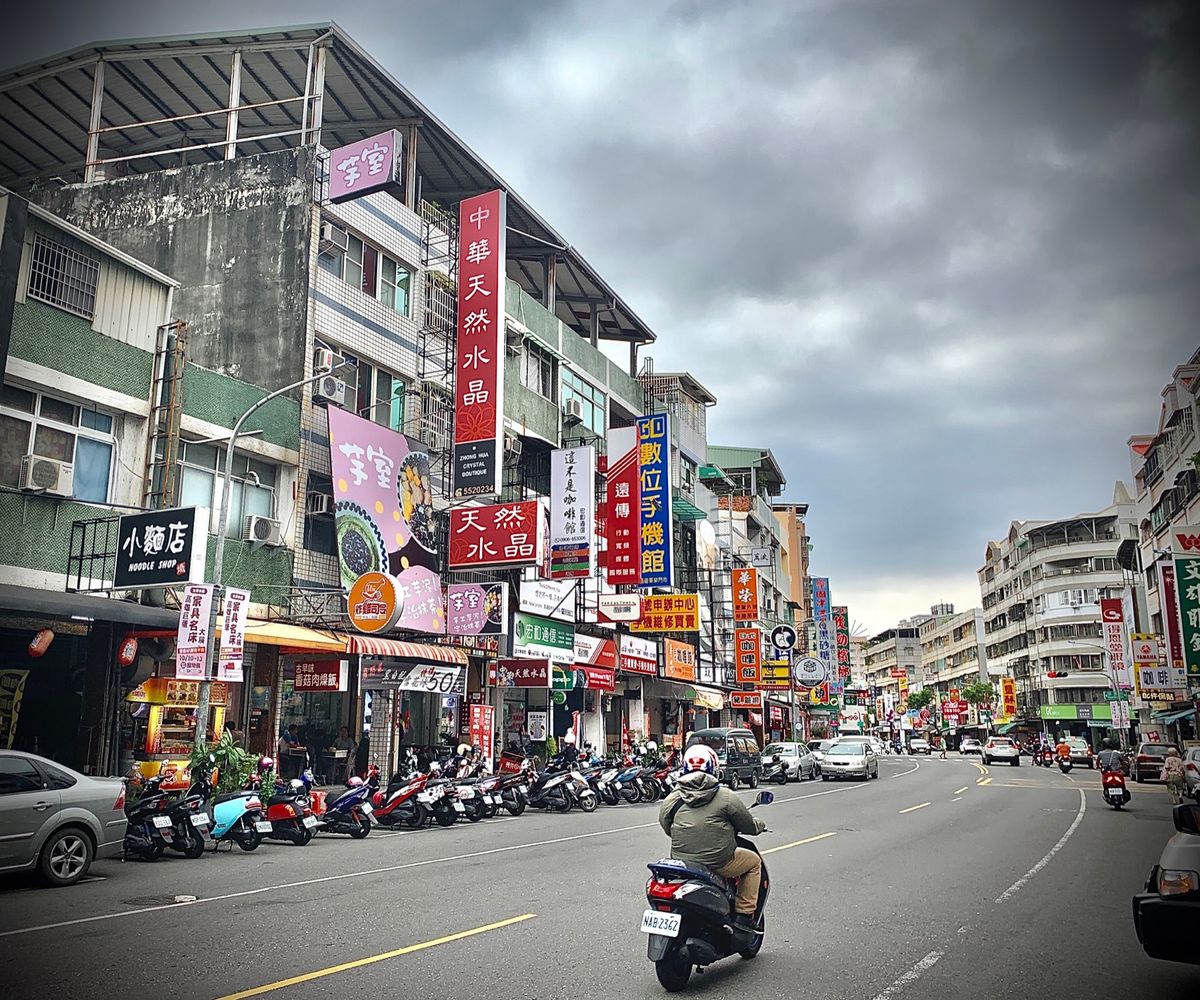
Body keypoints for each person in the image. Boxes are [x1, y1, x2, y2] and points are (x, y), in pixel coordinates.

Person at [658, 744, 766, 936]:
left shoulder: (673, 797)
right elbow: (748, 826)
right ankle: (744, 914)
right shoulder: (725, 796)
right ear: (714, 768)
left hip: (683, 863)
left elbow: (666, 826)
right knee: (754, 863)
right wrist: (759, 825)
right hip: (719, 862)